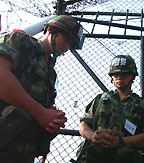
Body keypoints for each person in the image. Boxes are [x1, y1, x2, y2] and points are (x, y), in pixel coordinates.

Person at [0, 15, 83, 162]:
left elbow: (41, 109)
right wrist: (40, 113)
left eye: (72, 44)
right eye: (67, 38)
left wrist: (52, 119)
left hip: (21, 150)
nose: (67, 46)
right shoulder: (20, 41)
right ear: (51, 30)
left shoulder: (50, 72)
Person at [76, 55, 144, 163]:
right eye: (116, 74)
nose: (119, 77)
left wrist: (120, 141)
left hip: (125, 156)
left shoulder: (142, 104)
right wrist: (93, 136)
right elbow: (83, 126)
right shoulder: (100, 99)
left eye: (124, 74)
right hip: (95, 154)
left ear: (132, 76)